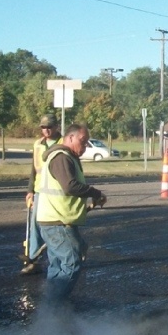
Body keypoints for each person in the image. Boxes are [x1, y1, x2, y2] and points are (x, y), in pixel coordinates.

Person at [36, 123, 107, 303]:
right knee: (72, 263)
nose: (85, 146)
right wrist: (95, 193)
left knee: (58, 265)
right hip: (58, 222)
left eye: (87, 142)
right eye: (82, 141)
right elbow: (70, 186)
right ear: (70, 137)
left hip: (54, 220)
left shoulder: (65, 157)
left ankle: (50, 307)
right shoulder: (62, 157)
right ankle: (54, 305)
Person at [21, 114, 61, 275]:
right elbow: (34, 168)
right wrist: (30, 190)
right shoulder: (38, 144)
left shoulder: (63, 143)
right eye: (43, 127)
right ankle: (33, 260)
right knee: (35, 226)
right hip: (39, 191)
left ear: (56, 127)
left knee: (57, 226)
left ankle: (61, 259)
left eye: (49, 127)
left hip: (57, 193)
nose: (46, 130)